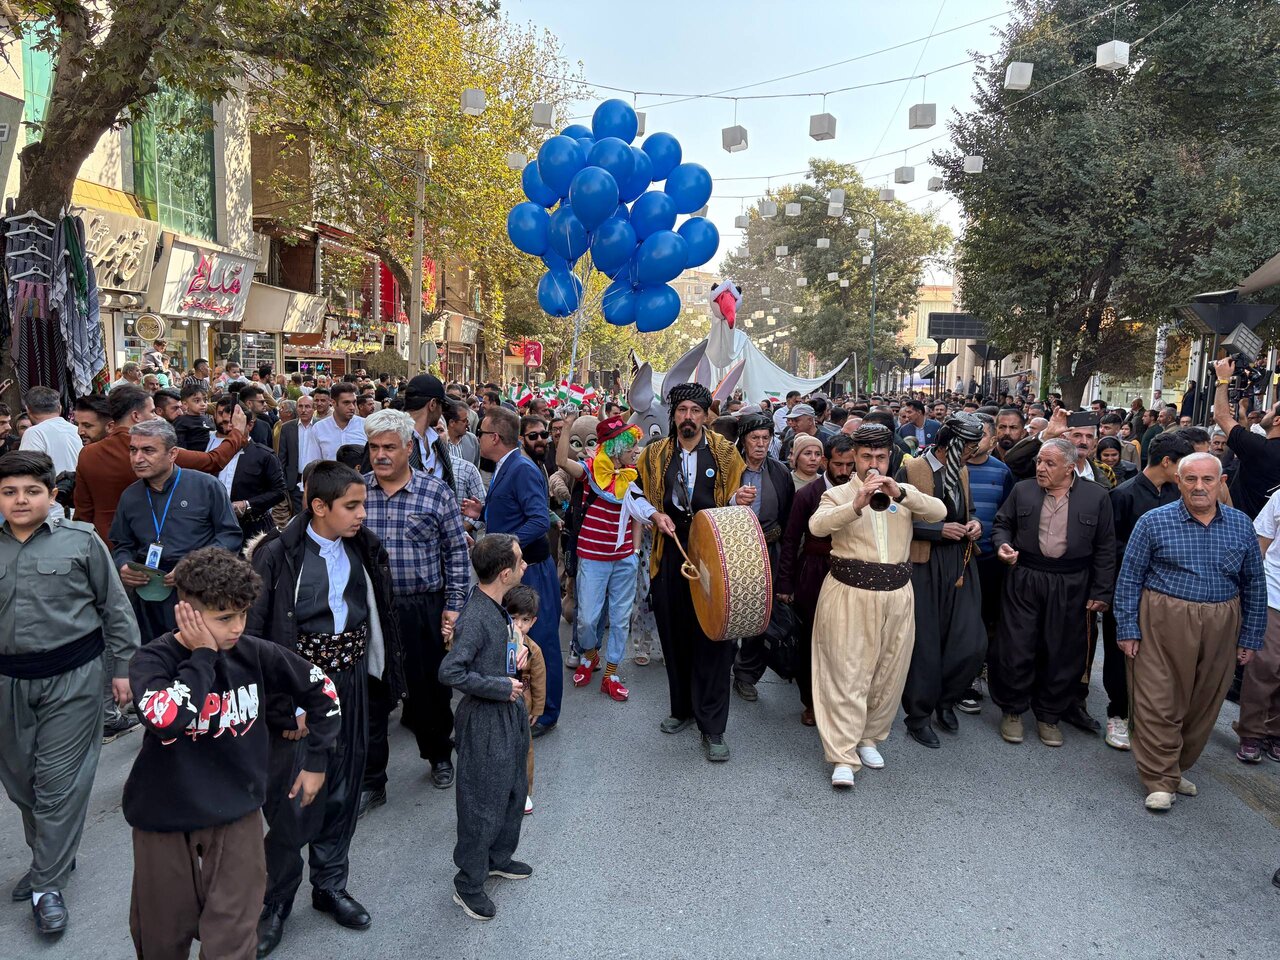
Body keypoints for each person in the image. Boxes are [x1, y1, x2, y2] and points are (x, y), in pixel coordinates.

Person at [124, 547, 339, 959]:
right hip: (163, 817)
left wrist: (316, 761)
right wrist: (202, 655)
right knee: (162, 934)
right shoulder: (153, 660)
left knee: (234, 932)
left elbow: (323, 692)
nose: (238, 627)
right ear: (185, 612)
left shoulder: (254, 652)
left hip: (237, 811)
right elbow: (167, 718)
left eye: (243, 614)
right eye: (224, 618)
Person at [247, 461, 400, 955]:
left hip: (351, 681)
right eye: (351, 506)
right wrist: (282, 703)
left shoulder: (363, 546)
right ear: (319, 507)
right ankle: (276, 901)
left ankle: (329, 885)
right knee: (296, 799)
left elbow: (378, 612)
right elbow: (255, 636)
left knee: (344, 787)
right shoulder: (276, 556)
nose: (361, 514)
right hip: (299, 693)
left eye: (362, 504)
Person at [0, 451, 139, 937]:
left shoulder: (81, 542)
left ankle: (46, 885)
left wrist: (123, 669)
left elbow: (115, 608)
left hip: (73, 679)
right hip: (7, 685)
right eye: (9, 491)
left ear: (50, 496)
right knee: (20, 782)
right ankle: (54, 857)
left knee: (56, 784)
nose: (20, 500)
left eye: (31, 491)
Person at [1114, 452, 1265, 812]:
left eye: (1207, 480)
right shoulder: (1153, 521)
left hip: (1221, 623)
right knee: (1157, 700)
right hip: (1162, 620)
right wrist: (1127, 627)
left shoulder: (1241, 524)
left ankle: (1176, 766)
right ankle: (1159, 778)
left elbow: (1254, 583)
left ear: (1221, 483)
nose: (1199, 487)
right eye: (1191, 479)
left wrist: (1251, 636)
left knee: (1204, 702)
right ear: (1178, 482)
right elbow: (1130, 578)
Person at [808, 425, 947, 787]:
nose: (873, 463)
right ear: (854, 457)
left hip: (898, 595)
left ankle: (869, 738)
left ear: (890, 458)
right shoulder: (837, 494)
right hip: (849, 593)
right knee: (846, 673)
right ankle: (842, 754)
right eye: (866, 456)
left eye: (880, 457)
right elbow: (818, 527)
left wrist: (900, 492)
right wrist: (856, 504)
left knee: (888, 673)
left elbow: (939, 511)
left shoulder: (904, 492)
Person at [635, 383, 751, 762]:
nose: (688, 417)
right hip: (669, 552)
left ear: (706, 415)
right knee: (675, 633)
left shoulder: (725, 452)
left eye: (695, 411)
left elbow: (733, 497)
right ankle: (682, 709)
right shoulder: (654, 455)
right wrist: (654, 513)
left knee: (714, 637)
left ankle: (713, 726)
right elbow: (632, 493)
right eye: (682, 410)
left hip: (711, 554)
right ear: (674, 414)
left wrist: (739, 499)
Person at [360, 410, 470, 809]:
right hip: (371, 609)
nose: (380, 455)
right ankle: (373, 780)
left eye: (389, 447)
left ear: (410, 447)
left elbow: (456, 553)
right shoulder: (357, 492)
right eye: (374, 447)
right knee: (372, 694)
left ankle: (439, 755)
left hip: (422, 606)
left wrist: (454, 607)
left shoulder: (434, 492)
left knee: (428, 691)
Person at [989, 437, 1116, 747]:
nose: (1041, 468)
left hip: (1071, 582)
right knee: (1017, 644)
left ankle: (1049, 714)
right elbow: (1002, 524)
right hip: (1026, 577)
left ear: (1070, 468)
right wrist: (1002, 545)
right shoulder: (1023, 490)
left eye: (1049, 463)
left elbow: (1105, 548)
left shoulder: (1096, 497)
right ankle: (1013, 710)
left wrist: (1102, 591)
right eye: (1039, 462)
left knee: (1062, 650)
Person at [438, 534, 534, 921]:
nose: (526, 566)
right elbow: (451, 670)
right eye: (521, 561)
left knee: (513, 790)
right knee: (482, 803)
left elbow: (495, 654)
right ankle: (469, 882)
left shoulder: (497, 606)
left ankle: (497, 859)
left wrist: (515, 659)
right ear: (506, 572)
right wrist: (499, 684)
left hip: (507, 712)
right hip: (484, 720)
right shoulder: (477, 616)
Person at [462, 407, 563, 737]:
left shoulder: (520, 468)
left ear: (493, 437)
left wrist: (502, 548)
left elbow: (538, 519)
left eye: (480, 433)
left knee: (541, 639)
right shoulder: (507, 465)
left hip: (531, 570)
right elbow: (513, 513)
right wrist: (484, 514)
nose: (477, 439)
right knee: (515, 641)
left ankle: (546, 714)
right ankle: (524, 705)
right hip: (514, 571)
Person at [895, 414, 987, 746]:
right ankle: (918, 716)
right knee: (925, 646)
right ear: (952, 444)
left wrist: (974, 523)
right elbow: (893, 519)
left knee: (970, 642)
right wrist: (937, 530)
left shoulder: (961, 471)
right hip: (924, 564)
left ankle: (946, 700)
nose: (972, 454)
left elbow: (969, 511)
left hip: (960, 564)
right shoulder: (912, 470)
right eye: (969, 447)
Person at [109, 420, 243, 642]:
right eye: (133, 450)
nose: (137, 458)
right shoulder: (130, 496)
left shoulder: (206, 486)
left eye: (148, 450)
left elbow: (230, 537)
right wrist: (123, 564)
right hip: (148, 592)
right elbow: (122, 543)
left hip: (199, 593)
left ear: (172, 454)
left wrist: (193, 566)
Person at [1100, 431, 1192, 750]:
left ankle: (1146, 717)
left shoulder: (1176, 495)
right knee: (1118, 652)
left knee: (1155, 657)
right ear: (1167, 462)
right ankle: (1117, 714)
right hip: (1125, 589)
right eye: (1183, 464)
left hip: (1164, 593)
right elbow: (1110, 546)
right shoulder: (1123, 494)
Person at [73, 386, 246, 548]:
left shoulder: (88, 454)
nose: (157, 417)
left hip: (104, 544)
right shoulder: (158, 451)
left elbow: (83, 514)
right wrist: (237, 433)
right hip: (146, 542)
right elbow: (212, 461)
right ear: (136, 416)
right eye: (152, 411)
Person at [554, 411, 649, 702]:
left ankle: (611, 674)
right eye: (631, 446)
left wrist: (633, 552)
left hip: (623, 559)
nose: (636, 451)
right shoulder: (591, 470)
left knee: (619, 620)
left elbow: (636, 517)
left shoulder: (633, 476)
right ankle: (591, 655)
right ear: (617, 447)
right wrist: (567, 429)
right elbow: (560, 462)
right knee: (586, 619)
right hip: (593, 557)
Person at [776, 434, 858, 727]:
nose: (845, 470)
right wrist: (785, 584)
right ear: (826, 462)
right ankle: (810, 701)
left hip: (851, 573)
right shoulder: (808, 494)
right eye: (839, 464)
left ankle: (839, 700)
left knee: (845, 641)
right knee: (812, 640)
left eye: (850, 464)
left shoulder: (858, 494)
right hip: (814, 572)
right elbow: (790, 539)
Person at [732, 413, 795, 703]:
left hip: (768, 551)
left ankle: (746, 674)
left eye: (765, 438)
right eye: (754, 438)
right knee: (727, 612)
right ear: (744, 439)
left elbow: (787, 517)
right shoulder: (728, 468)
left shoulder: (780, 472)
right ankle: (719, 667)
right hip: (731, 551)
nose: (760, 444)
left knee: (758, 616)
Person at [958, 413, 1014, 713]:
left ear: (992, 441)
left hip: (990, 560)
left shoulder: (1002, 472)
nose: (973, 441)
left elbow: (1006, 516)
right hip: (956, 557)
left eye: (980, 435)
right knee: (959, 621)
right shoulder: (953, 468)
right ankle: (959, 680)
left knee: (987, 619)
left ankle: (980, 671)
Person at [209, 397, 287, 546]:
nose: (228, 429)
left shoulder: (265, 456)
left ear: (250, 425)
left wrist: (247, 505)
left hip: (254, 531)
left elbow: (279, 491)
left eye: (234, 424)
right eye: (225, 423)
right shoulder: (215, 455)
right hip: (219, 529)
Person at [1239, 485, 1280, 763]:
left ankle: (1275, 732)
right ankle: (1252, 732)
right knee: (1265, 665)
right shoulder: (1279, 497)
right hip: (1274, 592)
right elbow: (1261, 545)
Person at [1212, 358, 1280, 518]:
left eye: (1271, 410)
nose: (1266, 411)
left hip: (1245, 528)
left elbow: (1220, 416)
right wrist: (1242, 420)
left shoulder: (1261, 448)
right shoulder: (1261, 448)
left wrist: (1222, 379)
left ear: (1277, 420)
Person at [503, 585, 545, 816]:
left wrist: (537, 708)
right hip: (501, 706)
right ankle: (502, 790)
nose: (518, 625)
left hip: (523, 707)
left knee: (525, 749)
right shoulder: (500, 642)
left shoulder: (533, 650)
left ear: (533, 621)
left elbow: (539, 680)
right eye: (513, 618)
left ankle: (525, 791)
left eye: (525, 620)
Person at [19, 386, 82, 477]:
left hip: (53, 489)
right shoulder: (77, 430)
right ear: (59, 408)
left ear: (28, 410)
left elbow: (27, 471)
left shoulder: (34, 433)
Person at [278, 392, 319, 514]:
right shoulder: (287, 428)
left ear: (313, 408)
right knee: (297, 517)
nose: (304, 410)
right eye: (300, 406)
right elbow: (282, 457)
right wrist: (284, 482)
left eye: (307, 406)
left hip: (316, 479)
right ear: (296, 408)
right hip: (294, 481)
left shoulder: (321, 426)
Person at [313, 383, 366, 460]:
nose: (352, 407)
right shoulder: (319, 428)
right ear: (333, 403)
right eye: (346, 403)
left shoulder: (365, 426)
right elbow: (315, 462)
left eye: (354, 402)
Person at [174, 383, 213, 451]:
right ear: (185, 404)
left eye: (205, 400)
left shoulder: (208, 420)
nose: (203, 404)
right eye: (197, 401)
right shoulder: (181, 422)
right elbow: (180, 446)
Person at [445, 399, 480, 465]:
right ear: (452, 422)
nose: (468, 424)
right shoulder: (440, 442)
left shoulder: (472, 440)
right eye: (464, 421)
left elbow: (476, 467)